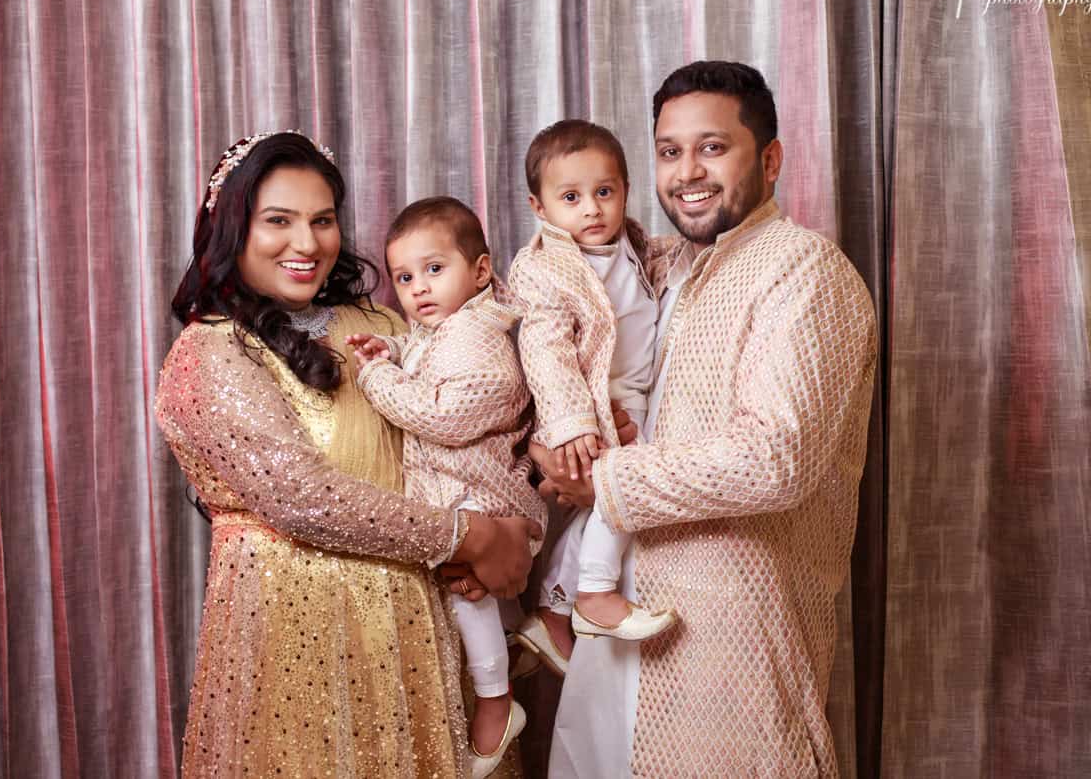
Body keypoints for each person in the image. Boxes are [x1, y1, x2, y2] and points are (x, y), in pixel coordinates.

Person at [155, 131, 539, 778]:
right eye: (278, 221)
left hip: (423, 621)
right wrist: (470, 535)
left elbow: (487, 423)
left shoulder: (384, 326)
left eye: (323, 220)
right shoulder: (211, 353)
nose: (307, 244)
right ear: (231, 229)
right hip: (298, 634)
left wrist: (517, 520)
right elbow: (304, 499)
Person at [538, 62, 877, 778]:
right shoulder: (656, 265)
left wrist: (603, 477)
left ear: (772, 158)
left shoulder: (805, 271)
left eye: (713, 147)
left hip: (733, 638)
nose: (687, 171)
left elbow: (774, 458)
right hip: (622, 608)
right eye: (668, 151)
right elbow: (549, 308)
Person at [346, 197, 547, 777]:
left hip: (485, 496)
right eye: (404, 277)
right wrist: (395, 350)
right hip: (461, 491)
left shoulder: (483, 337)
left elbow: (444, 413)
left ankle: (495, 700)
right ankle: (512, 650)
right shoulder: (446, 328)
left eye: (435, 270)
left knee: (467, 590)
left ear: (480, 271)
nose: (418, 288)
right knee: (475, 596)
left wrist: (376, 375)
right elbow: (432, 362)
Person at [505, 121, 677, 679]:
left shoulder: (633, 242)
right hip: (593, 402)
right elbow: (546, 348)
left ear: (626, 189)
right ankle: (595, 593)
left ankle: (554, 609)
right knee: (626, 489)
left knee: (604, 505)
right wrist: (572, 420)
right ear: (540, 206)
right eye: (571, 198)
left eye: (605, 192)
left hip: (640, 392)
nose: (592, 210)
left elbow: (661, 271)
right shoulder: (542, 267)